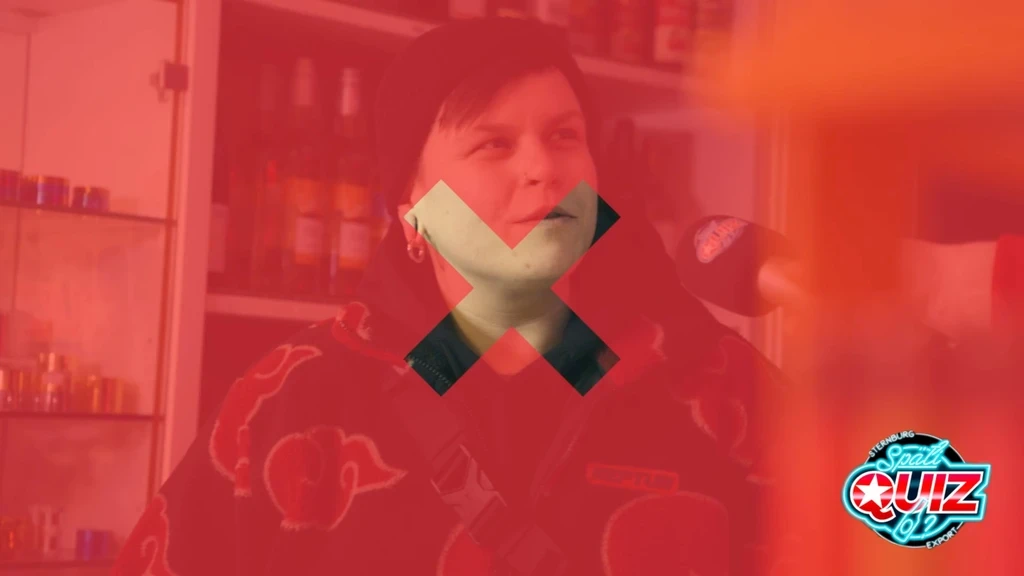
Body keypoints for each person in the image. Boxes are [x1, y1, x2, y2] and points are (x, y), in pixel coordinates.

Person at [113, 17, 788, 576]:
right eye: (493, 144)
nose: (542, 168)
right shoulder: (302, 396)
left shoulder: (708, 379)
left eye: (565, 136)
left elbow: (854, 532)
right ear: (412, 213)